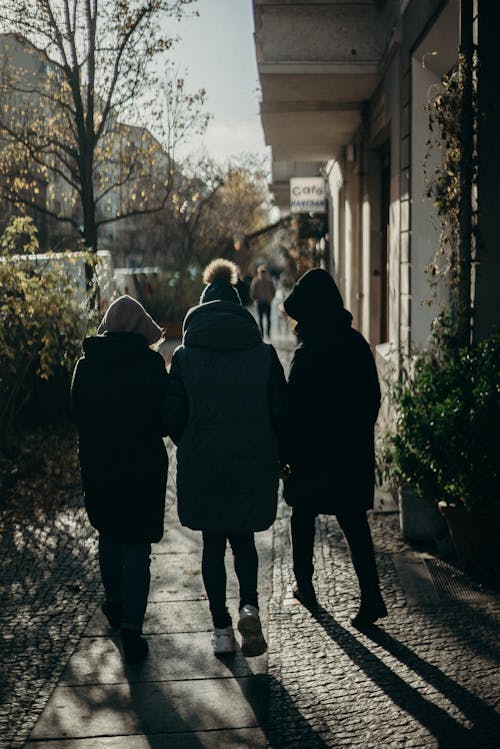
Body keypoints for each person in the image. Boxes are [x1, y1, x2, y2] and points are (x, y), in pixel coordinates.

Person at [166, 258, 287, 656]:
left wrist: (194, 441)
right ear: (239, 308)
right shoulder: (264, 354)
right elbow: (280, 412)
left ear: (200, 309)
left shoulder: (183, 357)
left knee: (213, 545)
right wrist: (277, 453)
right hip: (251, 461)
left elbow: (173, 417)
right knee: (245, 539)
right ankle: (249, 605)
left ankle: (220, 629)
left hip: (204, 464)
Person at [282, 268, 387, 627]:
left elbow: (292, 406)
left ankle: (305, 586)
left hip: (312, 454)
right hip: (349, 452)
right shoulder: (355, 342)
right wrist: (357, 433)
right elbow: (373, 396)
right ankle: (371, 595)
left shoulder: (308, 351)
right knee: (354, 521)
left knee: (302, 515)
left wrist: (288, 452)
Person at [70, 295, 170, 663]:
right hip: (142, 467)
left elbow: (75, 412)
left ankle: (113, 602)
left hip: (100, 465)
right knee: (137, 546)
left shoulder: (87, 364)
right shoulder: (151, 364)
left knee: (109, 534)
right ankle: (132, 627)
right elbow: (164, 419)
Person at [250, 265, 276, 337]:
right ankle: (262, 334)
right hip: (260, 303)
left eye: (264, 272)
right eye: (261, 272)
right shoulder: (255, 281)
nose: (263, 273)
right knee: (260, 319)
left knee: (268, 319)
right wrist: (255, 300)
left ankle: (268, 333)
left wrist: (271, 299)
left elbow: (274, 291)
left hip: (267, 302)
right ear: (258, 273)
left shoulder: (269, 281)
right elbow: (252, 292)